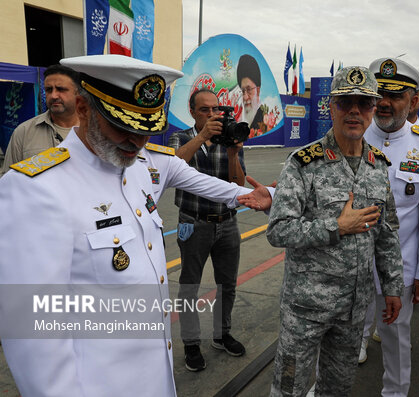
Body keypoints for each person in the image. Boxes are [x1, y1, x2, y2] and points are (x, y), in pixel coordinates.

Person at [0, 54, 272, 397]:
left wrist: (266, 196)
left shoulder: (144, 163)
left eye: (147, 129)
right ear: (84, 109)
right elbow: (34, 333)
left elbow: (213, 186)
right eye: (124, 126)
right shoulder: (35, 189)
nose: (136, 141)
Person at [267, 66, 404, 397]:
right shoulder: (303, 163)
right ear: (331, 107)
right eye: (345, 103)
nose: (354, 111)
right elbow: (278, 230)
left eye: (364, 103)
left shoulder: (378, 167)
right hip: (305, 310)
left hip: (353, 310)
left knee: (337, 390)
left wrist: (393, 286)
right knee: (290, 389)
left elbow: (387, 233)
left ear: (373, 109)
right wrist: (337, 227)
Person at [361, 58, 419, 395]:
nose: (384, 102)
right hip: (346, 263)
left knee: (396, 340)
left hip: (398, 268)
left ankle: (395, 393)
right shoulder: (351, 132)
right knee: (336, 333)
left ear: (413, 101)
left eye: (395, 95)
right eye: (379, 92)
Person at [168, 87, 247, 372]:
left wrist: (233, 153)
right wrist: (202, 137)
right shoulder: (182, 137)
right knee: (189, 286)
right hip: (194, 222)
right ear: (192, 112)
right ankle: (191, 344)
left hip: (227, 223)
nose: (213, 115)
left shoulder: (230, 138)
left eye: (216, 109)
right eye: (206, 110)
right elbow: (173, 165)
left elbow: (238, 185)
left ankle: (221, 334)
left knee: (228, 284)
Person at [1, 64, 80, 174]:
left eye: (60, 89)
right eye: (48, 90)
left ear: (78, 93)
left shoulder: (95, 131)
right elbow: (9, 180)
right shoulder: (24, 132)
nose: (53, 96)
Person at [237, 54, 264, 136]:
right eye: (243, 91)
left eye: (249, 90)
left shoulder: (264, 121)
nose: (245, 97)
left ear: (258, 91)